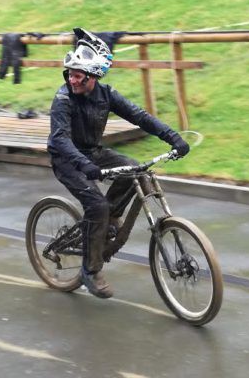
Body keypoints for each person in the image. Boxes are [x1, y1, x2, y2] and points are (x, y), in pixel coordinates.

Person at [48, 28, 190, 299]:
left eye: (78, 75)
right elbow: (61, 141)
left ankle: (107, 219)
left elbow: (140, 116)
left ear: (94, 76)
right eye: (69, 73)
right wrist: (84, 165)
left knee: (136, 170)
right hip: (66, 158)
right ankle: (90, 270)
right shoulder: (63, 99)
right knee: (97, 206)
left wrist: (173, 137)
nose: (72, 79)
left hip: (92, 152)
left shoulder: (106, 95)